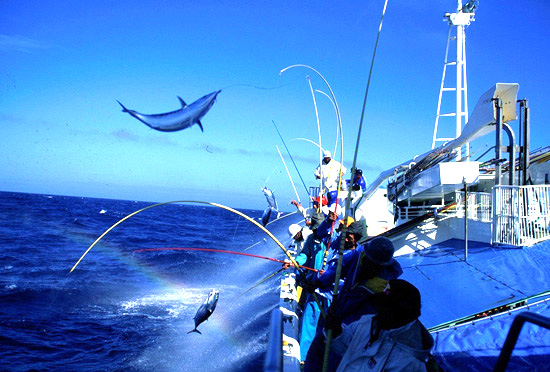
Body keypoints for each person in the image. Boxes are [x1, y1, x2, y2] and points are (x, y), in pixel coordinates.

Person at [326, 279, 434, 372]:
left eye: (386, 307)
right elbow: (348, 348)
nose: (379, 311)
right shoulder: (368, 322)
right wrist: (336, 332)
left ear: (400, 314)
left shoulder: (409, 363)